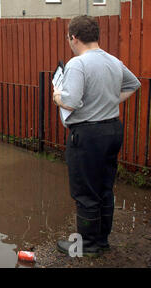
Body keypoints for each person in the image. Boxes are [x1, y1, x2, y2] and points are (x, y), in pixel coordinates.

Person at [53, 15, 141, 257]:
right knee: (104, 188)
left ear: (74, 37)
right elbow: (133, 84)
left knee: (85, 191)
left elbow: (70, 102)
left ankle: (87, 246)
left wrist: (56, 96)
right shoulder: (113, 61)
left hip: (88, 135)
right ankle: (101, 240)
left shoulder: (77, 64)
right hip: (112, 130)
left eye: (69, 37)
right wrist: (112, 100)